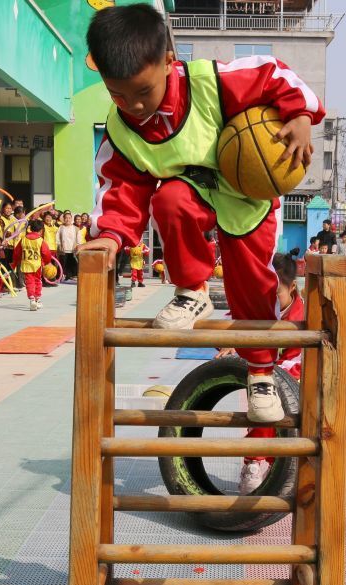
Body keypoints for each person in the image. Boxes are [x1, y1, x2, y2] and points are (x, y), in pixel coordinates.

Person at [79, 4, 322, 423]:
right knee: (168, 199)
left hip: (247, 199)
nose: (133, 106)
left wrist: (300, 115)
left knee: (251, 285)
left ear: (170, 62)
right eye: (118, 94)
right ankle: (192, 291)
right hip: (193, 193)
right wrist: (112, 234)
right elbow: (120, 186)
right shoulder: (121, 130)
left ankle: (261, 371)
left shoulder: (210, 83)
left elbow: (273, 73)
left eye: (143, 92)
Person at [218, 248, 305, 494]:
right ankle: (255, 462)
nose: (272, 302)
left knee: (277, 417)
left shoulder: (301, 318)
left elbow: (294, 358)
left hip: (294, 377)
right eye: (266, 294)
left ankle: (268, 465)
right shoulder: (261, 307)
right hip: (264, 375)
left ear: (293, 289)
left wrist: (268, 369)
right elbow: (231, 320)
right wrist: (230, 340)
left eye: (277, 294)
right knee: (262, 410)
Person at [12, 218, 52, 311]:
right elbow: (46, 253)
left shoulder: (23, 239)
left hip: (26, 265)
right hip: (37, 265)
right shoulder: (40, 240)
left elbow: (17, 252)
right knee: (38, 281)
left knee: (29, 282)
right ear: (41, 230)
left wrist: (15, 261)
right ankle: (37, 299)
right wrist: (47, 262)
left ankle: (32, 299)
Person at [57, 211, 79, 281]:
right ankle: (62, 276)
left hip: (73, 249)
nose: (67, 219)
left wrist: (78, 246)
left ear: (71, 219)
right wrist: (60, 246)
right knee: (63, 263)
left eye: (69, 218)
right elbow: (57, 238)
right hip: (64, 249)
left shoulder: (75, 228)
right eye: (66, 218)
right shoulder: (61, 227)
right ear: (63, 219)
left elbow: (79, 239)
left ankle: (72, 275)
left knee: (72, 263)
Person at [42, 213, 60, 288]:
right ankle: (45, 281)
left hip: (54, 249)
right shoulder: (42, 227)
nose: (48, 219)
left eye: (49, 217)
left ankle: (52, 280)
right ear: (44, 219)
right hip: (46, 249)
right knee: (46, 266)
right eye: (47, 217)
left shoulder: (56, 228)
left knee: (53, 266)